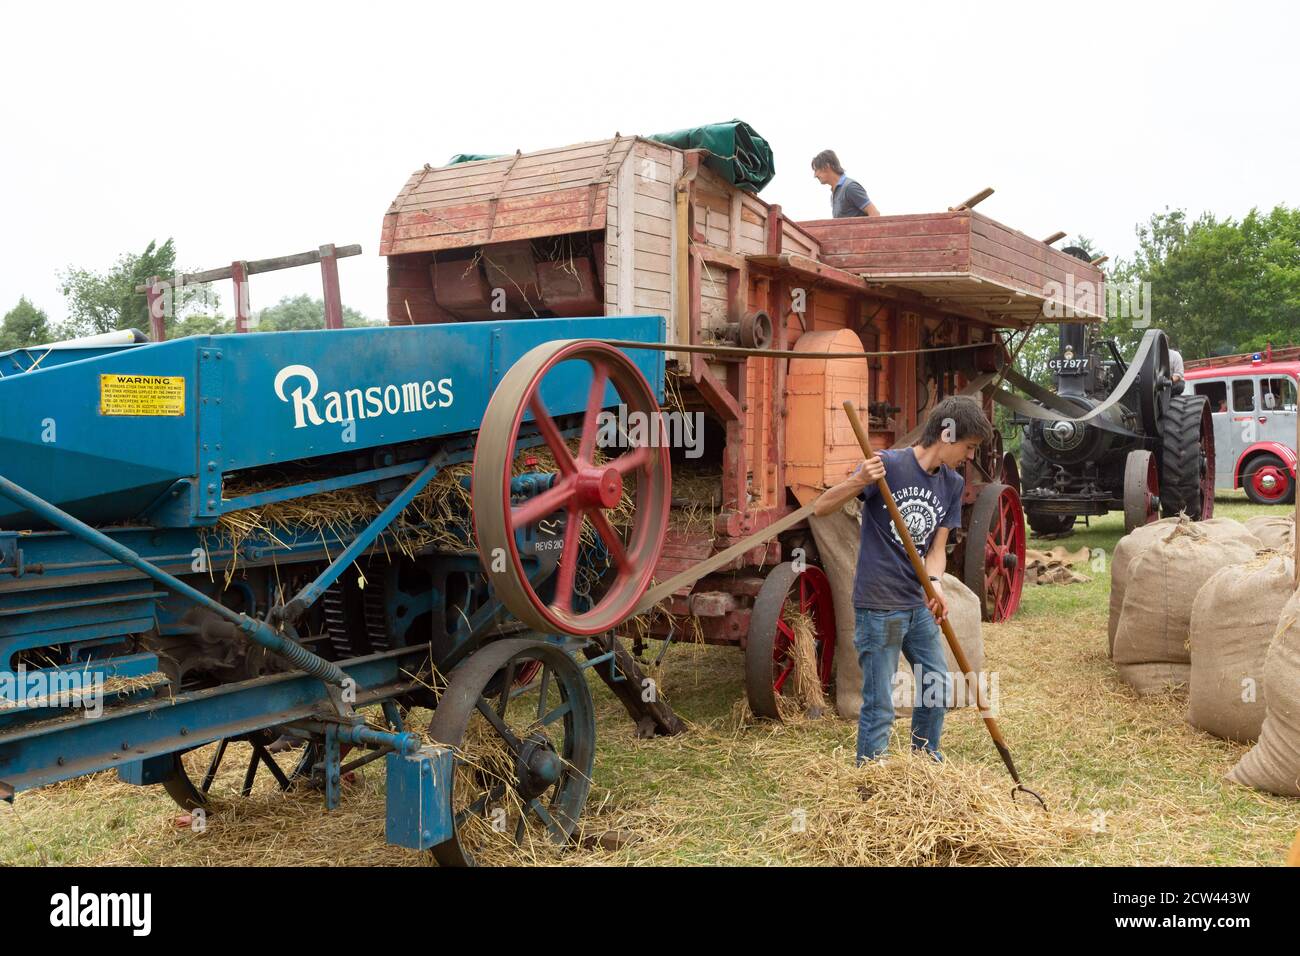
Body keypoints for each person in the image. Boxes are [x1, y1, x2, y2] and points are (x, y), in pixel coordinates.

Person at [814, 396, 993, 763]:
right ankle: (872, 779)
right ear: (947, 433)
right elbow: (821, 507)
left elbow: (937, 548)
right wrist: (859, 480)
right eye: (969, 446)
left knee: (937, 687)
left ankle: (925, 763)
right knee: (881, 701)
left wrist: (937, 584)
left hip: (917, 604)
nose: (970, 456)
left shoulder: (953, 484)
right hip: (878, 605)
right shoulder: (887, 467)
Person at [811, 149, 880, 218]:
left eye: (816, 170)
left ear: (827, 166)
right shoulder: (834, 194)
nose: (815, 175)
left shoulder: (850, 187)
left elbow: (875, 214)